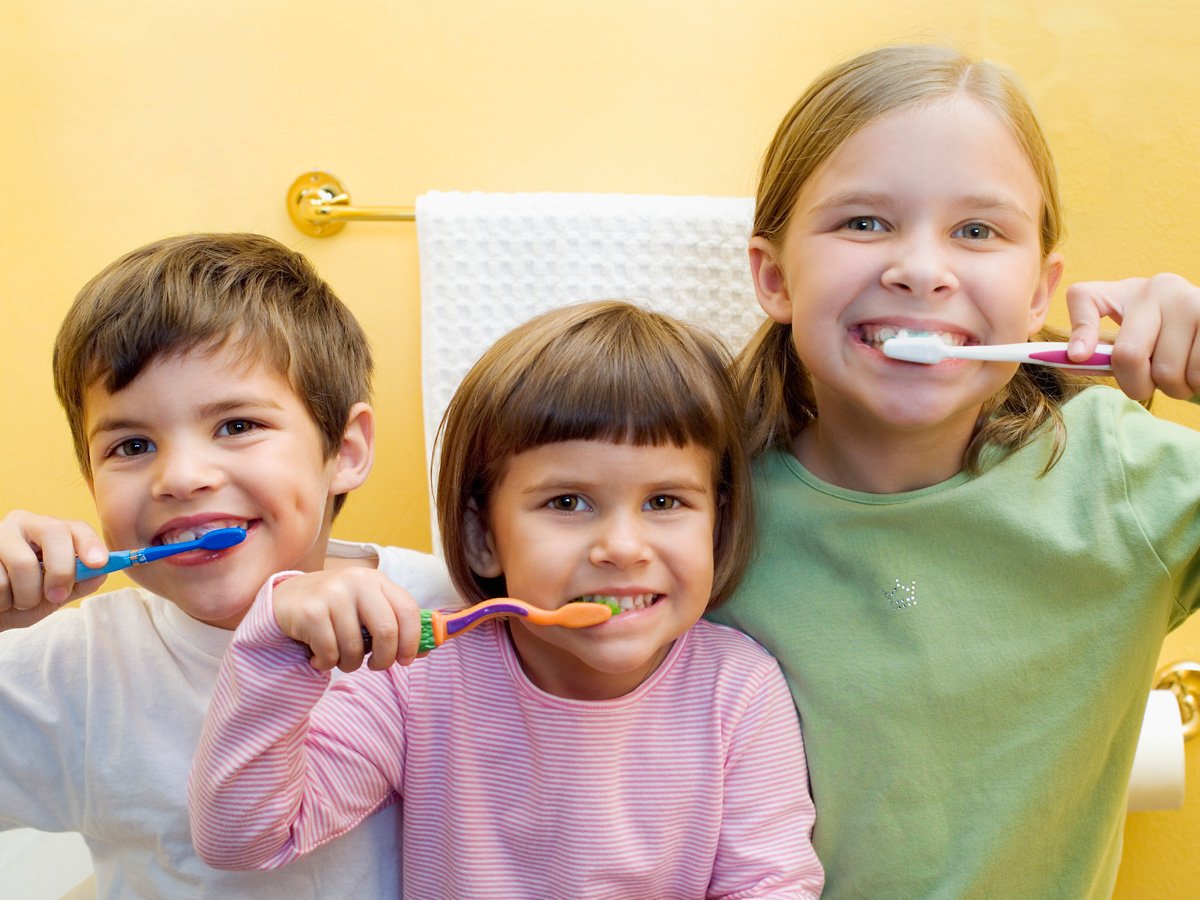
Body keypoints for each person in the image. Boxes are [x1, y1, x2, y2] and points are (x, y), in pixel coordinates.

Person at [706, 43, 1200, 899]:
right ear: (774, 276)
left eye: (977, 231)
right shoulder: (688, 507)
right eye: (865, 222)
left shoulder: (1123, 479)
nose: (922, 271)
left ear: (1039, 289)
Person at [188, 300, 825, 899]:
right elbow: (245, 839)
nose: (623, 547)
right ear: (482, 537)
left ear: (717, 523)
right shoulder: (417, 680)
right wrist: (275, 640)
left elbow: (771, 885)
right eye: (568, 502)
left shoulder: (738, 690)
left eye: (664, 502)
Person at [0, 233, 454, 897]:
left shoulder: (446, 609)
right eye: (132, 445)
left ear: (345, 451)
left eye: (237, 425)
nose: (181, 477)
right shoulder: (75, 668)